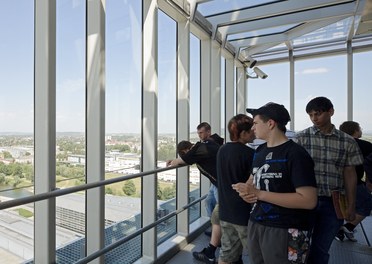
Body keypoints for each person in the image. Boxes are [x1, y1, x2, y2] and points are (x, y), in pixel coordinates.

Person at [233, 102, 317, 264]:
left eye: (255, 123)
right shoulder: (260, 151)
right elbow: (252, 182)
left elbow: (308, 200)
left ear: (270, 123)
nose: (252, 128)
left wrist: (259, 194)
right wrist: (245, 192)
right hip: (257, 223)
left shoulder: (296, 154)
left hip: (285, 228)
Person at [295, 96, 363, 264]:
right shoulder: (301, 139)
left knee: (321, 248)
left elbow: (350, 174)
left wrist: (351, 204)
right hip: (304, 202)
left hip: (333, 203)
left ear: (331, 111)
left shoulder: (347, 141)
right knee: (298, 247)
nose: (314, 118)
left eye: (317, 114)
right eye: (310, 115)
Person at [166, 139, 221, 264]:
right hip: (216, 183)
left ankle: (215, 244)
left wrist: (176, 161)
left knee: (219, 215)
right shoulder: (198, 150)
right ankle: (216, 232)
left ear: (186, 150)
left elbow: (187, 158)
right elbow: (188, 159)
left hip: (221, 184)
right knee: (209, 202)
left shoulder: (199, 150)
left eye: (184, 153)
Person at [216, 114, 255, 264]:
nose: (254, 132)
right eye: (251, 130)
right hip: (244, 213)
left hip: (226, 211)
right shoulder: (250, 154)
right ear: (243, 133)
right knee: (256, 254)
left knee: (227, 254)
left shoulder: (222, 150)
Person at [336, 121, 372, 242]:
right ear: (355, 131)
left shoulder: (337, 143)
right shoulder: (365, 145)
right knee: (367, 205)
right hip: (355, 183)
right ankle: (348, 227)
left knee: (341, 208)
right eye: (360, 128)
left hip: (336, 183)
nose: (361, 130)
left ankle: (341, 230)